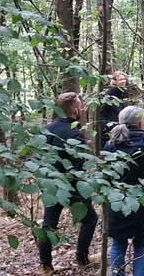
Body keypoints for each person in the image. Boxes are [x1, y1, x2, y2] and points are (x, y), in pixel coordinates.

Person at [38, 92, 99, 276]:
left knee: (48, 225)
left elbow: (39, 158)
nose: (82, 108)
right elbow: (78, 164)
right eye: (80, 106)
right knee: (90, 219)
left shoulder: (47, 129)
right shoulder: (74, 132)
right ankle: (82, 258)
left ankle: (45, 266)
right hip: (72, 186)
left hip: (51, 185)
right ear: (75, 110)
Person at [104, 106, 144, 276]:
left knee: (118, 244)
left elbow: (104, 177)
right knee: (141, 244)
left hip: (117, 202)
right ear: (140, 123)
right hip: (142, 202)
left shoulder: (110, 145)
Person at [99, 70, 130, 146]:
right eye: (120, 79)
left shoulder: (125, 93)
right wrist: (105, 126)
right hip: (111, 128)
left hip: (123, 127)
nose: (123, 81)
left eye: (124, 79)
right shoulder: (110, 94)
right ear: (115, 81)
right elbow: (101, 112)